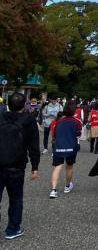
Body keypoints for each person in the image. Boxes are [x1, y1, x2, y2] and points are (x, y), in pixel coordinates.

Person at [0, 92, 40, 240]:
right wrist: (35, 166)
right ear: (24, 105)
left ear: (8, 104)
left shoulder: (1, 117)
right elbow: (33, 145)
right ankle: (13, 229)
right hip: (17, 165)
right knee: (16, 198)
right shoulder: (28, 120)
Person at [49, 102, 82, 199]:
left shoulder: (58, 121)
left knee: (57, 167)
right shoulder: (77, 121)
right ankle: (67, 186)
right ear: (74, 111)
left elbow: (54, 134)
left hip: (58, 146)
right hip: (71, 147)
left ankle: (53, 190)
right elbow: (78, 135)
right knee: (69, 167)